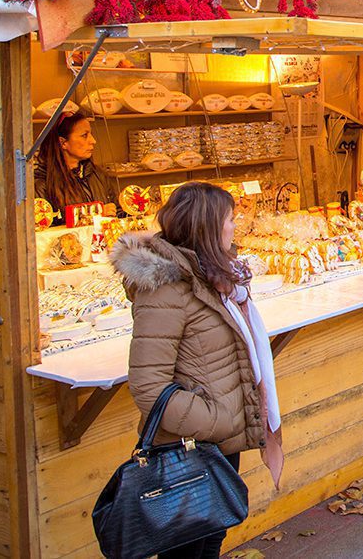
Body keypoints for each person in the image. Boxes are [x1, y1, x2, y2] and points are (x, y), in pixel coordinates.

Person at [111, 182, 283, 559]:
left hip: (220, 440)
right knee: (186, 551)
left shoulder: (218, 280)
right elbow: (147, 385)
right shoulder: (166, 289)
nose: (235, 226)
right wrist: (218, 420)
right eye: (229, 219)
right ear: (207, 227)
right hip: (191, 444)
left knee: (211, 538)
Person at [34, 111, 114, 218]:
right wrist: (94, 213)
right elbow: (44, 225)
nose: (93, 141)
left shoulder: (98, 175)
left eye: (91, 134)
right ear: (63, 143)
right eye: (84, 135)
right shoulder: (43, 183)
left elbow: (116, 211)